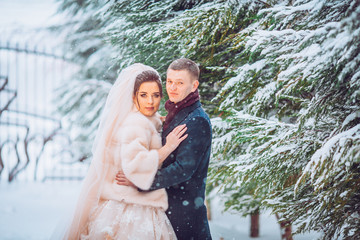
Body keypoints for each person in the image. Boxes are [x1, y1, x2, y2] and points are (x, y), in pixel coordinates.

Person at [56, 63, 188, 240]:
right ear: (134, 98)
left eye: (155, 95)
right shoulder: (136, 123)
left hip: (125, 202)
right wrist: (168, 147)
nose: (150, 101)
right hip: (133, 208)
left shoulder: (143, 119)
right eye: (144, 95)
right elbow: (137, 166)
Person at [117, 58, 213, 240]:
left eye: (179, 83)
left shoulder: (196, 120)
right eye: (169, 81)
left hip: (184, 215)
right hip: (168, 210)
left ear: (194, 86)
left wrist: (141, 181)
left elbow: (182, 170)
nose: (172, 88)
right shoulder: (177, 113)